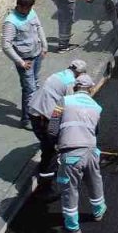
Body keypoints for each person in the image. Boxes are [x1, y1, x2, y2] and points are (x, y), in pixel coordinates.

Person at [50, 74, 106, 233]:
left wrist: (55, 143)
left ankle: (72, 227)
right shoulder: (97, 107)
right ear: (90, 89)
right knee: (95, 181)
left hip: (71, 155)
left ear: (75, 87)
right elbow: (96, 131)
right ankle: (99, 211)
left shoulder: (63, 101)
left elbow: (52, 128)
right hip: (92, 152)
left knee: (69, 190)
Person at [28, 58, 88, 195]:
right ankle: (45, 189)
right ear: (80, 74)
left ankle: (48, 175)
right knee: (51, 152)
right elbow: (71, 107)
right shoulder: (70, 83)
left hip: (35, 111)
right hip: (42, 118)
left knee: (48, 146)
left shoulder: (58, 75)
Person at [1, 0, 48, 128]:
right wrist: (20, 62)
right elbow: (6, 45)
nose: (29, 11)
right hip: (26, 60)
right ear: (19, 6)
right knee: (30, 90)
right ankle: (28, 119)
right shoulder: (11, 22)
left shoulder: (31, 12)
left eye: (30, 8)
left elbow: (39, 27)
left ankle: (34, 113)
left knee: (35, 84)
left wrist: (44, 46)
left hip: (37, 55)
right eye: (27, 8)